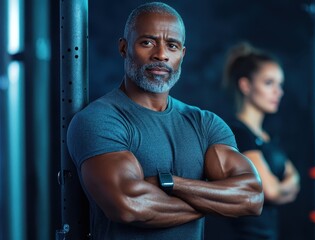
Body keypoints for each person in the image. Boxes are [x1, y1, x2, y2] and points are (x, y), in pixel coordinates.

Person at [66, 3, 263, 240]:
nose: (161, 55)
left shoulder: (205, 123)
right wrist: (215, 202)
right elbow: (130, 206)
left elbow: (251, 198)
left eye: (172, 46)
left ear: (182, 54)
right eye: (147, 42)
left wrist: (170, 183)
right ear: (123, 47)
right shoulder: (99, 120)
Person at [222, 42, 300, 240]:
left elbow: (295, 179)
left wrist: (283, 187)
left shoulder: (266, 137)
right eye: (269, 83)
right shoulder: (239, 133)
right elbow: (272, 191)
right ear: (246, 85)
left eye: (279, 84)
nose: (278, 91)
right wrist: (283, 188)